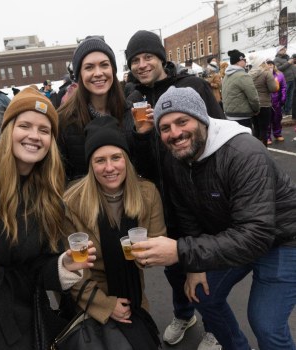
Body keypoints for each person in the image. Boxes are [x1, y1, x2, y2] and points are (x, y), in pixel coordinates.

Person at [134, 86, 296, 350]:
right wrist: (194, 267)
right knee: (201, 294)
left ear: (201, 118)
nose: (175, 133)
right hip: (235, 235)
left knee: (267, 324)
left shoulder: (244, 153)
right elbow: (187, 214)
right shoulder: (176, 158)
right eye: (165, 128)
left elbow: (256, 235)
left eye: (182, 121)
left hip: (282, 239)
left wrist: (180, 251)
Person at [0, 86, 96, 350]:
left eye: (44, 130)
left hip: (21, 317)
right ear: (9, 129)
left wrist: (62, 265)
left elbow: (37, 267)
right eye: (25, 126)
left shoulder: (49, 195)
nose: (34, 136)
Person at [124, 29, 224, 349]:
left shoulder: (190, 86)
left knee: (206, 264)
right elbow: (137, 159)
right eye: (135, 60)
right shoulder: (131, 98)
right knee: (174, 266)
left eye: (148, 57)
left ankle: (216, 326)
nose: (142, 64)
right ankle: (185, 313)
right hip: (161, 201)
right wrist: (139, 135)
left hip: (197, 194)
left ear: (161, 58)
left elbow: (218, 132)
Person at [64, 116, 166, 349]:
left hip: (134, 296)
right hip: (90, 299)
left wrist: (147, 253)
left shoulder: (148, 193)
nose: (109, 168)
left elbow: (159, 241)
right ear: (90, 165)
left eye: (116, 157)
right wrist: (105, 305)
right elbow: (72, 270)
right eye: (100, 160)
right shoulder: (72, 202)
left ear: (127, 160)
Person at [57, 35, 153, 183]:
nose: (98, 73)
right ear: (79, 75)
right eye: (89, 67)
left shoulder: (131, 114)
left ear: (113, 70)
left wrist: (143, 136)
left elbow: (144, 170)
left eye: (104, 65)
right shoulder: (64, 121)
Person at [222, 49, 260, 130]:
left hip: (229, 115)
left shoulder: (226, 76)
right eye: (244, 60)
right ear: (239, 61)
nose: (246, 62)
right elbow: (253, 97)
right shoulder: (243, 76)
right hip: (242, 116)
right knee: (245, 141)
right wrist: (256, 109)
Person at [248, 54, 278, 147]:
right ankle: (264, 149)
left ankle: (256, 149)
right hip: (264, 104)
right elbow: (273, 88)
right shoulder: (266, 73)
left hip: (253, 104)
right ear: (261, 63)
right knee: (264, 129)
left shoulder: (249, 74)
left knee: (256, 128)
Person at [266, 60, 287, 145]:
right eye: (268, 65)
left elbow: (283, 88)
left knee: (277, 119)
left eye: (271, 64)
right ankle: (267, 137)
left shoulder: (280, 75)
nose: (270, 66)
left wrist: (283, 99)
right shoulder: (264, 75)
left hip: (277, 101)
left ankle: (277, 134)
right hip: (266, 102)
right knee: (267, 120)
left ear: (274, 65)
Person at [274, 45, 295, 118]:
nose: (284, 50)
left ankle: (288, 111)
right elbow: (279, 69)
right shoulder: (276, 59)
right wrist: (288, 63)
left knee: (290, 96)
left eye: (284, 49)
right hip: (285, 80)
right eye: (282, 49)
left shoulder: (288, 57)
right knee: (284, 96)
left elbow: (292, 67)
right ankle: (282, 111)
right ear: (279, 51)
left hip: (292, 79)